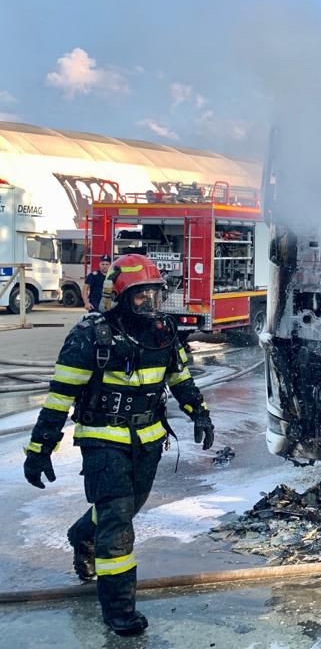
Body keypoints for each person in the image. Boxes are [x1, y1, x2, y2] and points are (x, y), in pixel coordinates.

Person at [22, 253, 215, 637]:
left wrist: (200, 413)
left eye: (155, 294)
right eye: (141, 295)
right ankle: (119, 611)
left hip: (148, 439)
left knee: (126, 509)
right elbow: (60, 398)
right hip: (102, 440)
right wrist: (40, 449)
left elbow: (180, 378)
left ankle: (82, 534)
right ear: (120, 298)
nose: (151, 303)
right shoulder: (90, 336)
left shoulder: (164, 332)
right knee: (118, 523)